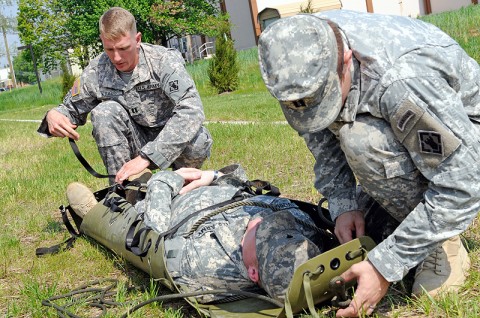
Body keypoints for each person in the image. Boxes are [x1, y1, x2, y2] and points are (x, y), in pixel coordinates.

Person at [257, 10, 480, 317]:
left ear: (347, 59)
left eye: (327, 96)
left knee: (362, 140)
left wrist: (385, 266)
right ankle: (408, 222)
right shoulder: (299, 58)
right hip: (409, 117)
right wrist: (343, 203)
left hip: (464, 137)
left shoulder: (402, 79)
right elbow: (321, 133)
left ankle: (440, 242)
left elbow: (464, 181)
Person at [65, 164, 328, 303]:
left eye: (260, 236)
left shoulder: (203, 264)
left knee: (129, 222)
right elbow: (254, 195)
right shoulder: (300, 229)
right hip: (212, 188)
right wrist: (212, 176)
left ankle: (98, 212)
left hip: (171, 205)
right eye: (274, 227)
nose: (260, 222)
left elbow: (155, 232)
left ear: (253, 273)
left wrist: (167, 181)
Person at [37, 7, 212, 185]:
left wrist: (148, 157)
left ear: (137, 40)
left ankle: (185, 181)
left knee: (197, 139)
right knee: (105, 112)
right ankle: (124, 191)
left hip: (173, 141)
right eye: (109, 49)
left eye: (123, 48)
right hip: (135, 141)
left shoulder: (162, 61)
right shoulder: (97, 70)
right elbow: (70, 110)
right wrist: (54, 115)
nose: (117, 57)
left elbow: (191, 110)